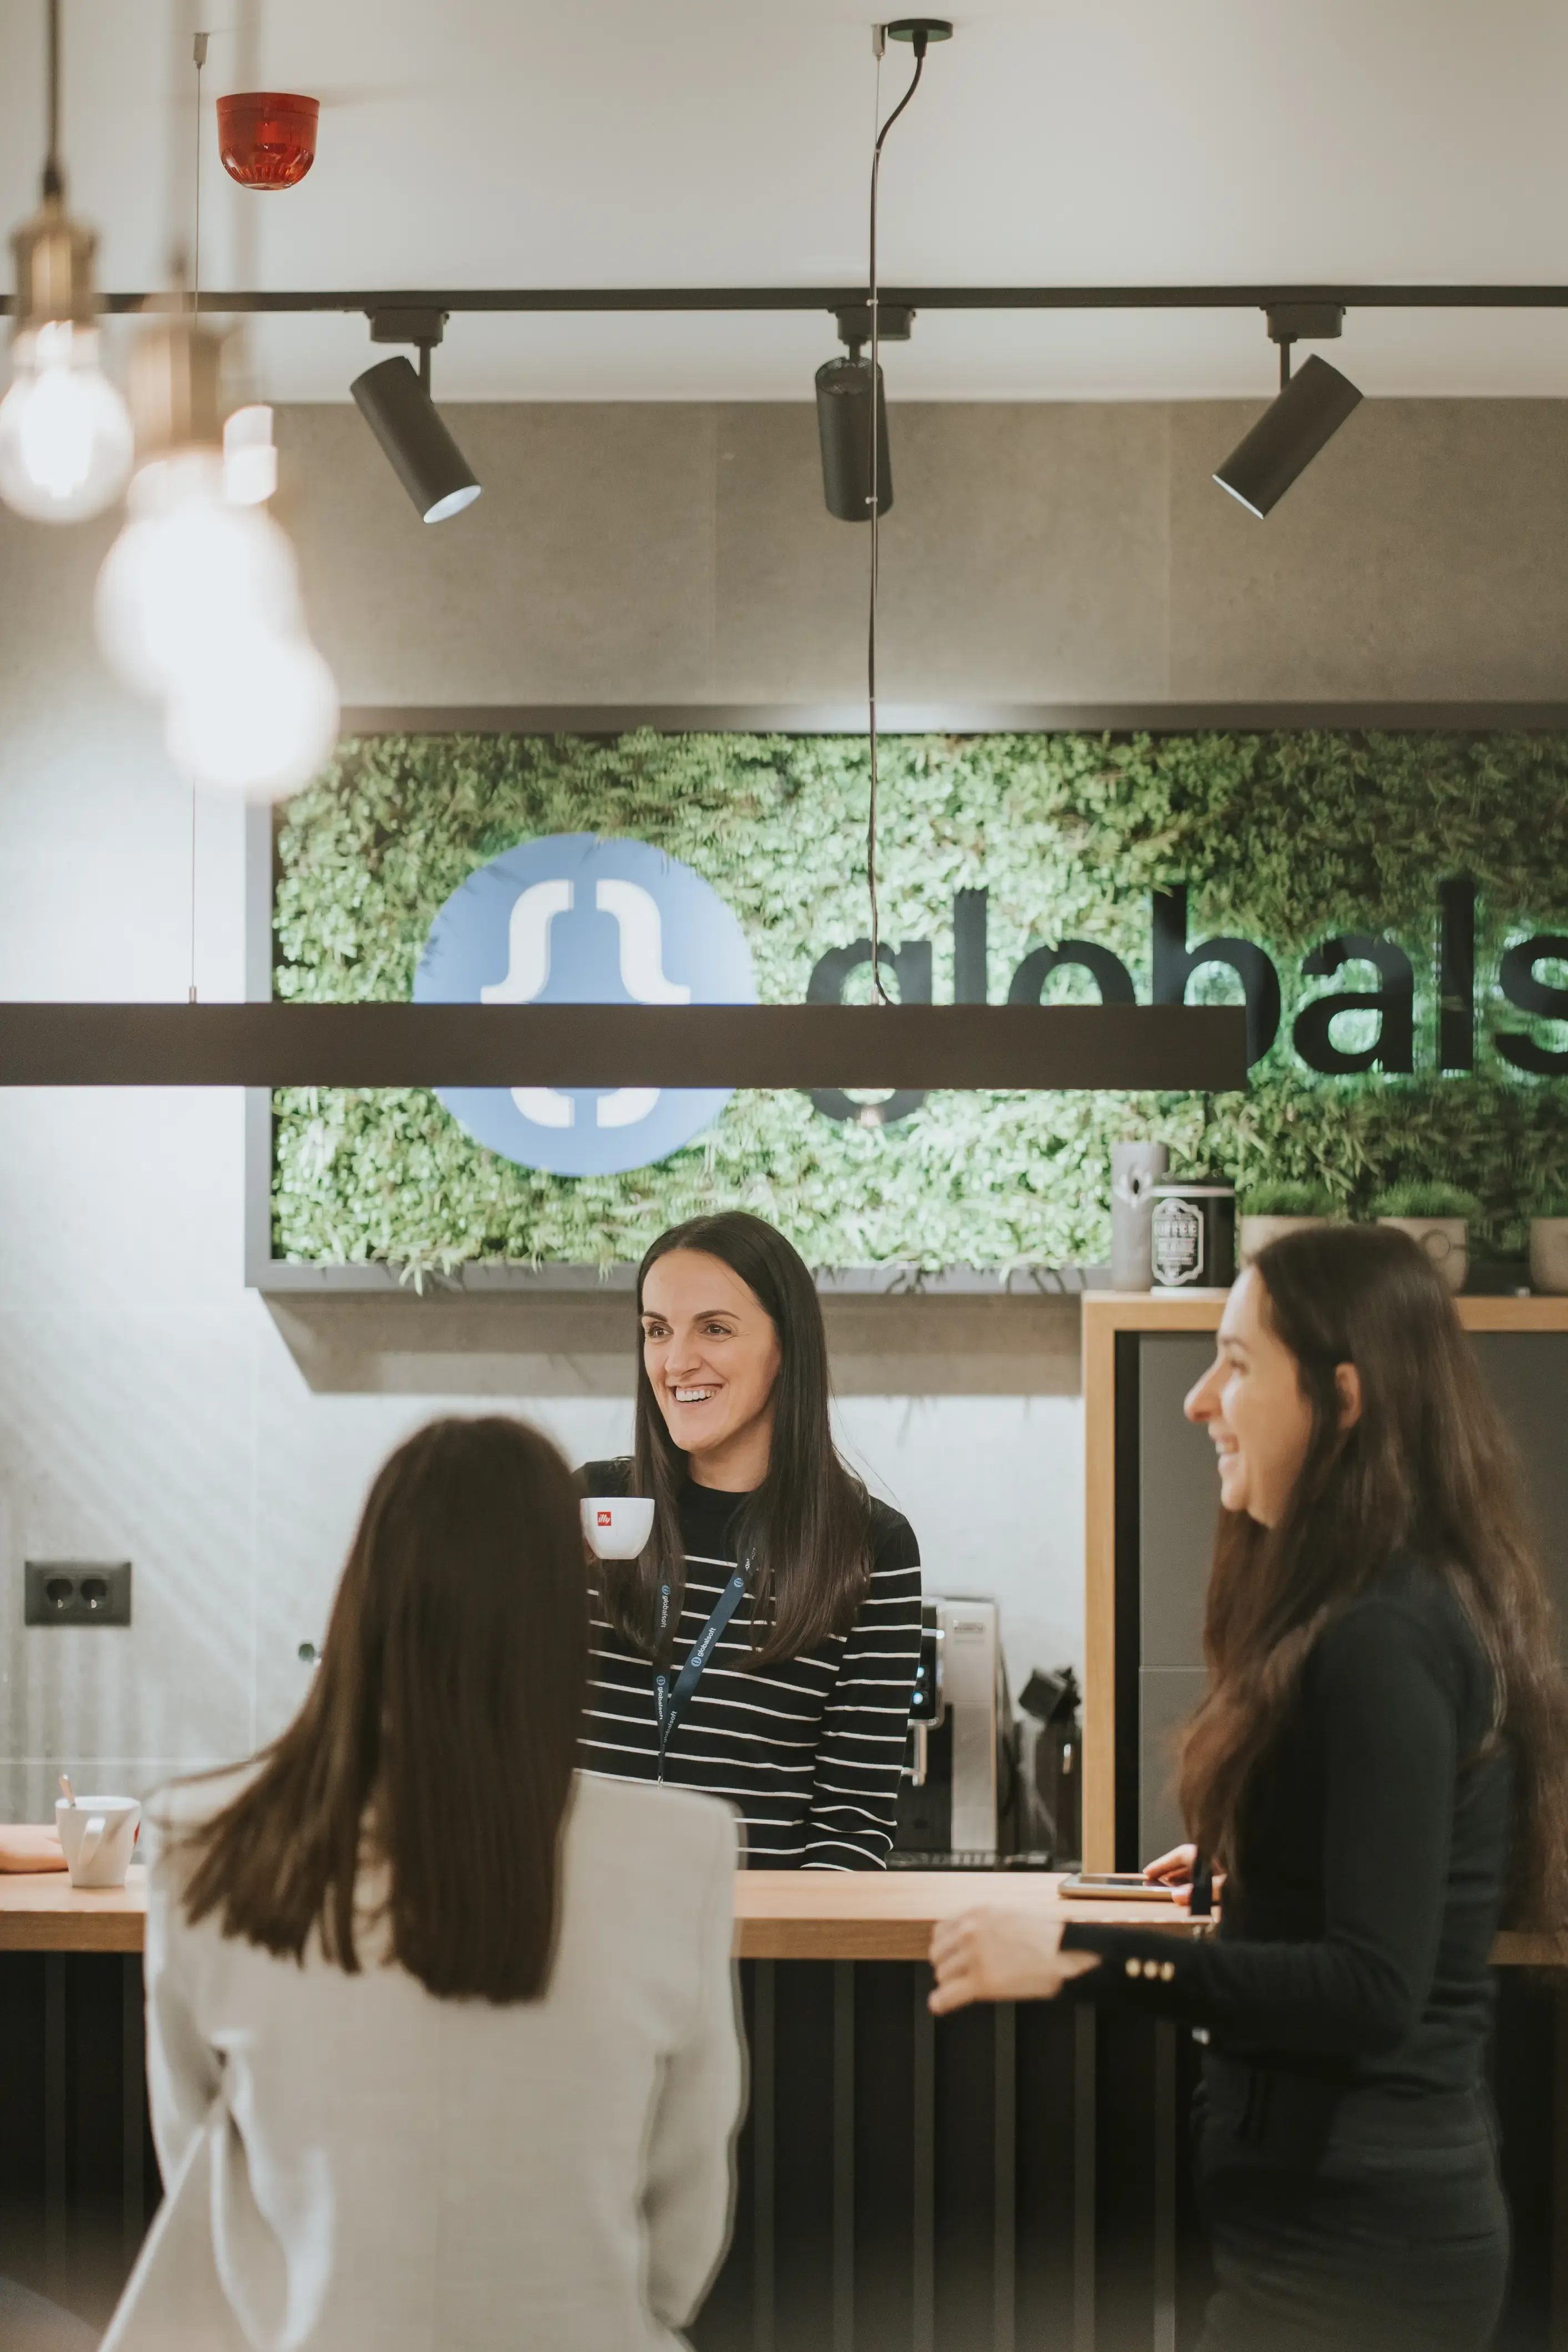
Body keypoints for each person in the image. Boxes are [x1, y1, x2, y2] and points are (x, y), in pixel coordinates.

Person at [929, 1223, 1568, 2352]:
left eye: (1233, 1363)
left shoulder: (1383, 1635)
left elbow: (1370, 1987)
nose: (1195, 1401)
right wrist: (1269, 1869)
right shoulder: (1388, 1609)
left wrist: (1076, 1956)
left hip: (1360, 2256)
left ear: (1344, 1397)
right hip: (1335, 2236)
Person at [103, 1416, 744, 2352]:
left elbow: (200, 2159)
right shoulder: (680, 1848)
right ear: (562, 1615)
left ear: (364, 1593)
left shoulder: (201, 1838)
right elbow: (681, 2229)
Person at [581, 1210, 923, 1869]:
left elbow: (849, 1830)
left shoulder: (870, 1545)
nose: (677, 1362)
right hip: (578, 1947)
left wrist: (772, 1958)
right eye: (656, 1331)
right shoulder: (592, 1509)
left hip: (759, 1954)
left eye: (714, 1328)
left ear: (785, 1345)